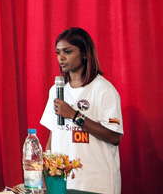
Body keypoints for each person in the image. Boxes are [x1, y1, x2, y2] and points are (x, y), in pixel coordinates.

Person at [40, 27, 123, 194]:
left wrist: (74, 115)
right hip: (62, 183)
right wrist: (46, 174)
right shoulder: (56, 90)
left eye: (68, 51)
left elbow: (114, 137)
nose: (61, 57)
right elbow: (53, 136)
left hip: (96, 184)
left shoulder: (103, 89)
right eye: (58, 52)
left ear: (85, 53)